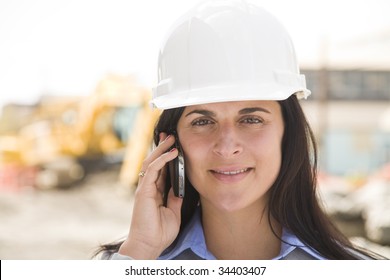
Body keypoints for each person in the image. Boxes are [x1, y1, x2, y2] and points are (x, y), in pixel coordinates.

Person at [97, 0, 382, 260]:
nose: (227, 145)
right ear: (171, 146)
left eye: (252, 120)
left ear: (288, 134)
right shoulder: (128, 260)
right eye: (202, 121)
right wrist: (141, 252)